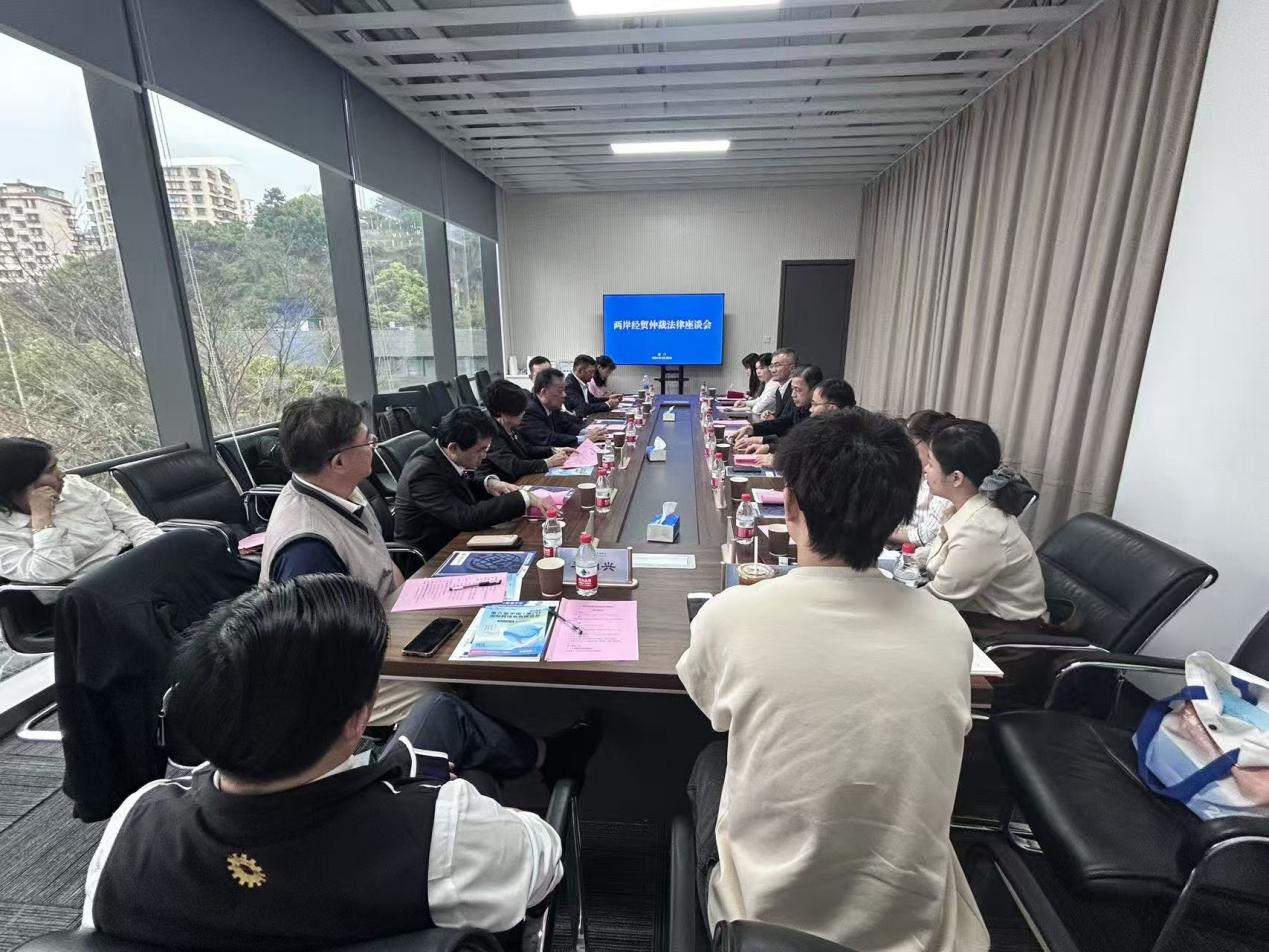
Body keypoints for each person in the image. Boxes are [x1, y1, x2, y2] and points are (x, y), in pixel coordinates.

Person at [83, 575, 601, 947]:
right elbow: (544, 865)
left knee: (437, 714)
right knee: (473, 765)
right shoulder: (441, 831)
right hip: (444, 846)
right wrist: (460, 802)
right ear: (357, 722)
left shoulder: (134, 824)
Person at [677, 410, 988, 952]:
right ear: (898, 517)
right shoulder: (948, 627)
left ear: (790, 506)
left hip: (763, 923)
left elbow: (715, 715)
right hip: (917, 928)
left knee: (711, 761)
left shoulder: (730, 615)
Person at [261, 396, 426, 727]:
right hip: (348, 682)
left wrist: (419, 609)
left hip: (386, 630)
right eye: (367, 440)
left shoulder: (341, 488)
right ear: (338, 461)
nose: (374, 445)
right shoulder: (307, 549)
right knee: (456, 684)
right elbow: (330, 656)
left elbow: (382, 561)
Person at [922, 418, 1046, 621]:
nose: (925, 470)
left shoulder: (982, 529)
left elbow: (937, 602)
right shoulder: (967, 506)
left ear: (956, 478)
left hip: (1003, 631)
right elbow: (944, 556)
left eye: (930, 463)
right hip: (971, 612)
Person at [0, 437, 162, 587]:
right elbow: (51, 571)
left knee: (175, 544)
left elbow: (133, 522)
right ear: (20, 482)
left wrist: (153, 555)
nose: (62, 474)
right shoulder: (4, 531)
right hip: (94, 588)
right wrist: (42, 518)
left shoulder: (74, 486)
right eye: (50, 470)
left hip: (137, 558)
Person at [394, 406, 535, 558]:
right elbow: (465, 517)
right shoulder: (423, 472)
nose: (484, 456)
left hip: (455, 535)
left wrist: (489, 484)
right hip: (432, 554)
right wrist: (522, 498)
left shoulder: (442, 453)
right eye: (480, 450)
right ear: (453, 448)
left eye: (486, 448)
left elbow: (458, 483)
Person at [738, 379, 856, 461]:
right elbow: (798, 442)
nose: (811, 409)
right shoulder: (825, 425)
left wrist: (776, 458)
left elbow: (810, 457)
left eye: (814, 404)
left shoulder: (847, 437)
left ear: (832, 408)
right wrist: (768, 445)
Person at [889, 409, 956, 550]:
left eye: (912, 445)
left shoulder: (945, 477)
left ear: (931, 441)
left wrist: (880, 533)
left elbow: (927, 534)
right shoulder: (920, 471)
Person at [483, 379, 571, 482]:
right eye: (519, 410)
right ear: (502, 412)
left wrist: (553, 450)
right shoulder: (490, 434)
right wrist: (548, 462)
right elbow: (513, 465)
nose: (524, 413)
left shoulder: (511, 426)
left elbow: (527, 449)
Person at [733, 364, 822, 452]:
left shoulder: (820, 413)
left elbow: (800, 442)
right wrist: (752, 428)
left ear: (814, 390)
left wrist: (766, 444)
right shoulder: (799, 404)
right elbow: (782, 423)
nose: (793, 395)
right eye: (792, 389)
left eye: (798, 390)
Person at [521, 368, 601, 448]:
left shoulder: (551, 406)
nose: (564, 395)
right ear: (543, 392)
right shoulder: (530, 411)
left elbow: (567, 426)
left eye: (564, 390)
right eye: (560, 391)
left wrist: (588, 432)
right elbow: (549, 438)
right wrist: (584, 439)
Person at [747, 353, 778, 420]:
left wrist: (748, 405)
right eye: (756, 368)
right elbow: (760, 399)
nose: (758, 372)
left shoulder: (774, 385)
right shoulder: (768, 383)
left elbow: (757, 409)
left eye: (761, 368)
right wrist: (745, 403)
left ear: (771, 368)